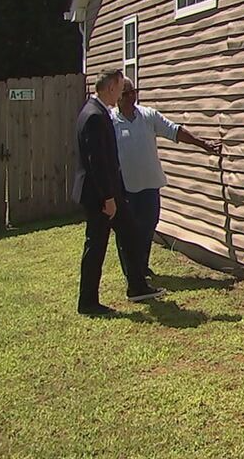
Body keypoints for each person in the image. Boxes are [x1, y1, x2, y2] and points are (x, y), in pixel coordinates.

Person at [73, 68, 165, 316]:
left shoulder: (98, 112)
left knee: (131, 234)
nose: (122, 94)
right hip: (101, 196)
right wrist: (108, 199)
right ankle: (88, 302)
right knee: (96, 246)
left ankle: (137, 287)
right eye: (120, 88)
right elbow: (97, 163)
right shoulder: (94, 115)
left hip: (112, 192)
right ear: (111, 87)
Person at [114, 78, 221, 280]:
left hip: (149, 185)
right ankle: (131, 273)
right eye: (126, 94)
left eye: (133, 92)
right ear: (117, 97)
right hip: (125, 188)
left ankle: (141, 267)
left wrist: (203, 144)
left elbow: (174, 131)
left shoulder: (148, 116)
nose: (131, 97)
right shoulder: (111, 121)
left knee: (148, 227)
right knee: (127, 232)